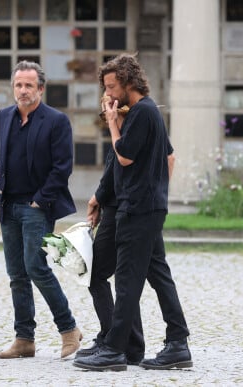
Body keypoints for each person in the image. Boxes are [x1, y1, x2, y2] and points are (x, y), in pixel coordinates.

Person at [73, 53, 192, 372]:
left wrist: (113, 123)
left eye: (112, 86)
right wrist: (157, 191)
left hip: (138, 209)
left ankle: (115, 349)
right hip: (147, 207)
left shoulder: (142, 112)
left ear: (128, 81)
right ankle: (177, 343)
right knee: (157, 274)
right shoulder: (148, 112)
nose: (109, 94)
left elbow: (123, 156)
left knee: (126, 281)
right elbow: (167, 158)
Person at [0, 60, 82, 360]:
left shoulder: (56, 121)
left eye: (28, 85)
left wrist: (39, 200)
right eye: (18, 85)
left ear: (40, 88)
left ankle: (69, 330)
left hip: (37, 206)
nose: (23, 90)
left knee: (36, 267)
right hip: (8, 205)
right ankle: (24, 339)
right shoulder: (5, 116)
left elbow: (62, 168)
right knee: (16, 274)